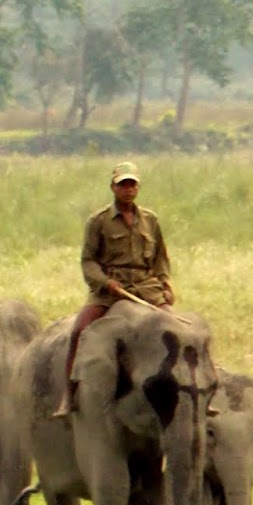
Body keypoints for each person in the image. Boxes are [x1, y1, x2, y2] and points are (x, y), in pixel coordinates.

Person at [53, 160, 175, 417]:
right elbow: (88, 260)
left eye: (132, 184)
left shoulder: (150, 220)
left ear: (138, 187)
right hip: (110, 288)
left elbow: (160, 258)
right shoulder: (98, 221)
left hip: (145, 286)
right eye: (123, 185)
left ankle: (195, 387)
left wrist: (165, 284)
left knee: (179, 330)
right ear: (113, 187)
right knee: (79, 331)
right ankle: (69, 393)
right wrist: (105, 283)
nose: (128, 189)